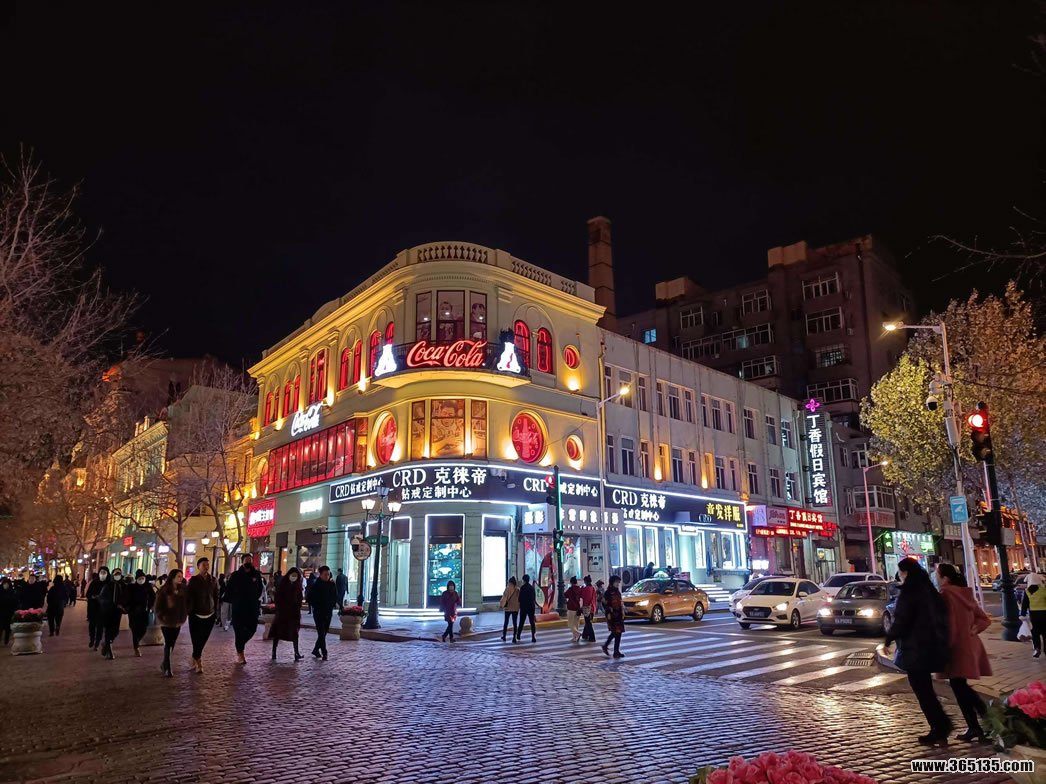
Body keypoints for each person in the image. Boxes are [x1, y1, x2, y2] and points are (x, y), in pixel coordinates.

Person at [883, 557, 951, 745]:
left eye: (901, 572)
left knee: (922, 690)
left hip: (915, 648)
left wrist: (889, 639)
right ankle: (941, 726)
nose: (900, 575)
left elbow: (902, 620)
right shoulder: (929, 590)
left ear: (906, 573)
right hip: (932, 646)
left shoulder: (910, 593)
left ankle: (939, 727)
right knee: (926, 689)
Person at [937, 563, 992, 742]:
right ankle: (982, 723)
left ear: (945, 578)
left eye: (937, 574)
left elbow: (950, 624)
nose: (936, 577)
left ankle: (981, 722)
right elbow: (984, 619)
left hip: (956, 647)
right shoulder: (964, 593)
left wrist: (946, 647)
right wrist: (973, 630)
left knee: (959, 687)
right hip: (969, 645)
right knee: (960, 685)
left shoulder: (945, 594)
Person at [226, 553, 265, 665]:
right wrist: (236, 600)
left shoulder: (256, 574)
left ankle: (240, 645)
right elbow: (229, 590)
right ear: (242, 561)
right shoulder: (236, 575)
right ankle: (240, 653)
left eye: (250, 560)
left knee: (252, 629)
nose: (248, 562)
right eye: (246, 560)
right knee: (238, 631)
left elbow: (260, 588)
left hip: (252, 607)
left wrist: (255, 599)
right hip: (239, 608)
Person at [186, 557, 219, 673]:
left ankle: (195, 656)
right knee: (196, 639)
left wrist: (216, 611)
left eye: (207, 564)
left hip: (210, 614)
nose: (206, 567)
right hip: (196, 614)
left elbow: (216, 596)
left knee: (204, 638)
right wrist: (189, 611)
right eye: (204, 564)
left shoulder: (213, 580)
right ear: (198, 566)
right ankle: (198, 660)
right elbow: (189, 597)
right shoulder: (193, 580)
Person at [154, 569, 188, 677]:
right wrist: (162, 616)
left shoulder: (183, 590)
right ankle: (167, 667)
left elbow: (186, 604)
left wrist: (184, 614)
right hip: (167, 622)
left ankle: (164, 663)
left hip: (178, 621)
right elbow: (158, 606)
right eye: (178, 576)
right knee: (168, 643)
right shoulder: (164, 590)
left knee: (172, 643)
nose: (180, 578)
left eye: (181, 576)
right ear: (172, 577)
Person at [271, 567, 304, 661]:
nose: (294, 577)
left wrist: (298, 606)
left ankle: (296, 653)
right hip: (283, 613)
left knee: (295, 633)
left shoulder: (298, 586)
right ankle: (274, 652)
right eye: (292, 575)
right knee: (277, 633)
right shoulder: (283, 584)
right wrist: (280, 608)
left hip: (293, 613)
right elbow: (278, 597)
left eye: (295, 575)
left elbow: (300, 598)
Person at [309, 565, 338, 660]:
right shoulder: (315, 585)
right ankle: (324, 652)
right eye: (325, 574)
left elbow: (335, 596)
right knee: (321, 632)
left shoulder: (332, 585)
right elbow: (310, 598)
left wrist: (332, 605)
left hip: (328, 612)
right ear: (320, 575)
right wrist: (316, 605)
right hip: (318, 612)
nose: (327, 576)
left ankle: (315, 649)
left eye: (328, 574)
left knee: (324, 632)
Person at [98, 567, 127, 659]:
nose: (117, 576)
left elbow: (126, 597)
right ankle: (109, 651)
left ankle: (106, 644)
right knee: (108, 630)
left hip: (118, 612)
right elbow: (102, 598)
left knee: (115, 631)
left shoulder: (123, 585)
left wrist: (123, 606)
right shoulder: (108, 586)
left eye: (119, 574)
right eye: (115, 574)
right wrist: (110, 604)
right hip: (108, 611)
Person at [125, 569, 155, 656]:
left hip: (144, 611)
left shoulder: (148, 587)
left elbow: (153, 597)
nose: (141, 580)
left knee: (144, 629)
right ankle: (136, 647)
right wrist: (128, 608)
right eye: (139, 578)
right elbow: (127, 598)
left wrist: (151, 606)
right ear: (136, 579)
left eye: (143, 578)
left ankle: (137, 642)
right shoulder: (131, 587)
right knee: (135, 629)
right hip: (134, 612)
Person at [1021, 573, 1046, 657]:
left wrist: (1022, 614)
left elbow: (1024, 604)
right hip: (1044, 614)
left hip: (1034, 615)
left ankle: (1037, 648)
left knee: (1035, 632)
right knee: (1045, 633)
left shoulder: (1027, 591)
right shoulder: (1043, 590)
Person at [602, 574, 625, 658]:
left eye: (618, 582)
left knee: (618, 633)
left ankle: (615, 650)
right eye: (616, 582)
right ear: (612, 582)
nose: (618, 584)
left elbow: (620, 601)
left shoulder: (617, 592)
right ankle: (608, 647)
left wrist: (623, 609)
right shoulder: (608, 592)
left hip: (619, 614)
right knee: (616, 632)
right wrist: (609, 611)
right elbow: (604, 603)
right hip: (612, 615)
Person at [85, 570, 105, 649]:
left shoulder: (107, 584)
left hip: (102, 609)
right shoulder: (94, 583)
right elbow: (88, 594)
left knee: (100, 626)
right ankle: (92, 639)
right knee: (92, 625)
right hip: (93, 608)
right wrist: (93, 597)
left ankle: (97, 642)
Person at [499, 577, 519, 642]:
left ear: (509, 582)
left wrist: (501, 605)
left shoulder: (507, 589)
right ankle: (514, 637)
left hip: (508, 608)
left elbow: (504, 598)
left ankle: (504, 636)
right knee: (515, 623)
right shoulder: (518, 590)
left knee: (506, 622)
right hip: (515, 608)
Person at [564, 576, 583, 643]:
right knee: (576, 624)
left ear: (571, 583)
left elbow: (565, 595)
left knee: (570, 624)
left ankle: (577, 634)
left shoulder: (570, 589)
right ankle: (575, 637)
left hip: (571, 608)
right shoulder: (579, 589)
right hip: (578, 608)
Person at [580, 575, 598, 642]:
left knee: (588, 623)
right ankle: (585, 635)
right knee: (588, 622)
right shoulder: (593, 588)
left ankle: (592, 637)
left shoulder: (586, 589)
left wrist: (582, 588)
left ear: (585, 581)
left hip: (587, 608)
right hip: (593, 607)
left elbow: (582, 596)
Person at [0, 578, 16, 645]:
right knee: (0, 627)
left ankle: (6, 640)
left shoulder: (11, 592)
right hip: (1, 612)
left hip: (9, 612)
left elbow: (14, 602)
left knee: (7, 627)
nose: (5, 585)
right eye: (4, 584)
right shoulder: (0, 591)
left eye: (7, 584)